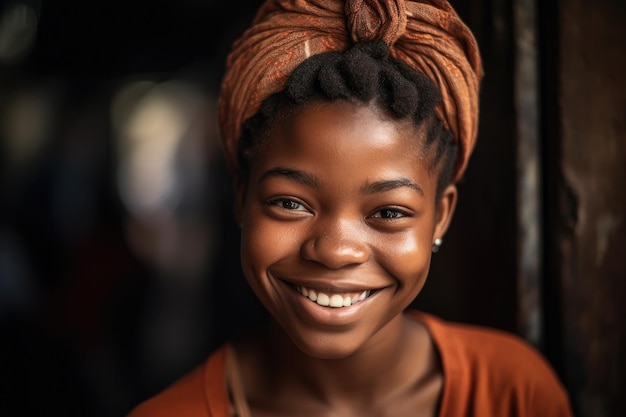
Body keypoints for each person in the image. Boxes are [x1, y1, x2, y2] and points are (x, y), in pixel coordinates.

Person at [128, 0, 574, 415]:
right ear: (241, 199)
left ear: (441, 216)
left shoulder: (514, 392)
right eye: (289, 203)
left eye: (389, 212)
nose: (336, 250)